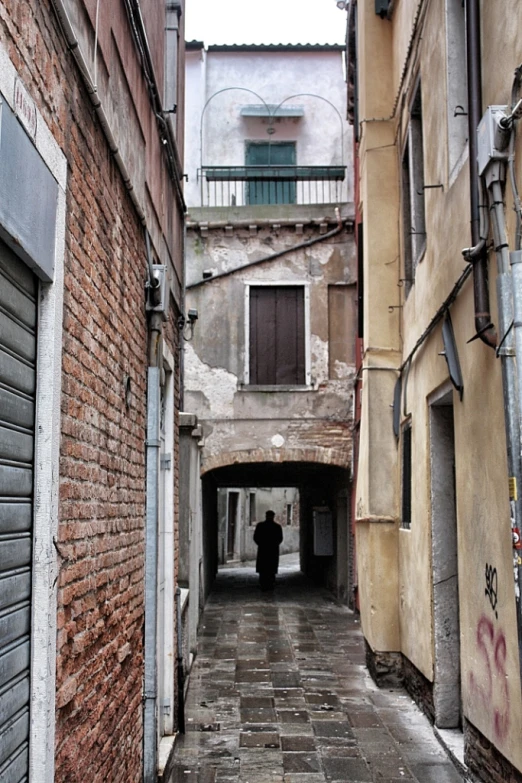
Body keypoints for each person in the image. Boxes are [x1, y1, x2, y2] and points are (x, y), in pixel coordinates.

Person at [253, 510, 283, 591]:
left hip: (263, 549)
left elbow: (256, 537)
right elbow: (280, 539)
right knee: (271, 568)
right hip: (273, 550)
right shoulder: (277, 527)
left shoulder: (260, 526)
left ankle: (263, 584)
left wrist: (261, 544)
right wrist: (274, 544)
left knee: (263, 568)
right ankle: (270, 584)